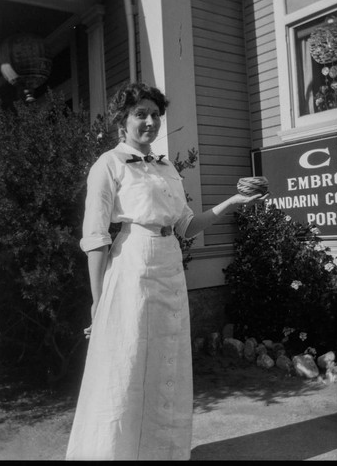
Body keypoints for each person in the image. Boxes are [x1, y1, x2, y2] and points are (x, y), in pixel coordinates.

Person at [66, 82, 267, 461]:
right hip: (133, 266)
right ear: (122, 121)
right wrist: (98, 303)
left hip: (169, 264)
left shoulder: (167, 166)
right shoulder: (108, 165)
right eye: (140, 114)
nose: (150, 121)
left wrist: (234, 201)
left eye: (156, 114)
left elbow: (186, 226)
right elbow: (94, 238)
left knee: (166, 363)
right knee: (127, 364)